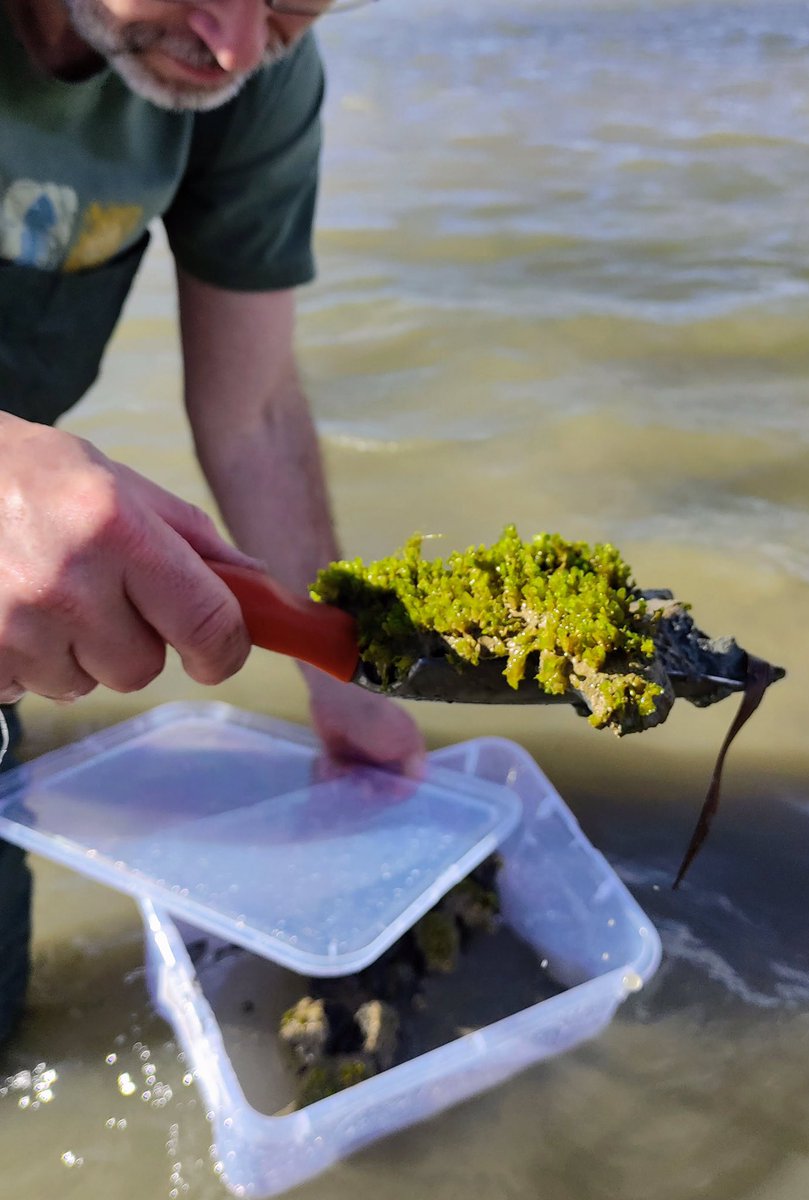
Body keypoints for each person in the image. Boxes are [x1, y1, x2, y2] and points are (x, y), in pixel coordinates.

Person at [0, 0, 425, 1045]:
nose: (235, 45)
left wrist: (345, 683)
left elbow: (256, 411)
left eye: (289, 8)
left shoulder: (250, 83)